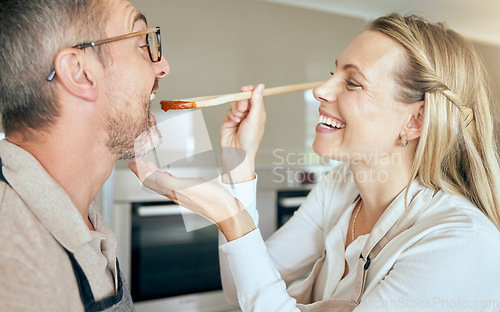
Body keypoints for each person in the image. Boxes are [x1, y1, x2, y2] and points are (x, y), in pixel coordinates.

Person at [130, 13, 500, 311]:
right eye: (333, 73)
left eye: (352, 83)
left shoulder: (459, 244)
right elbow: (240, 289)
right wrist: (238, 165)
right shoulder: (341, 186)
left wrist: (232, 217)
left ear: (415, 121)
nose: (320, 91)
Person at [0, 0, 169, 310]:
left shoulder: (83, 214)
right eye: (141, 45)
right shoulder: (14, 266)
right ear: (79, 73)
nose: (163, 67)